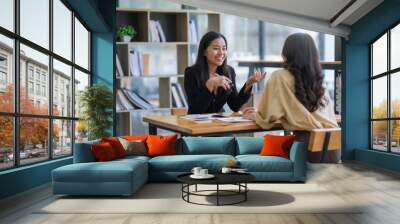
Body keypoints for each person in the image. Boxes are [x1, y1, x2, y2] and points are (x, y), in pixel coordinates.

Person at [242, 33, 338, 131]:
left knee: (249, 145)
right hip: (333, 141)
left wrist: (255, 115)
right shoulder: (318, 80)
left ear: (286, 53)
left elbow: (266, 119)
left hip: (305, 143)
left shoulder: (279, 76)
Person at [184, 31, 266, 114]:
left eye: (224, 48)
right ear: (204, 52)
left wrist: (249, 84)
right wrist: (210, 85)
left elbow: (234, 105)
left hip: (218, 122)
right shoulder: (191, 73)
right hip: (196, 124)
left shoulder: (229, 71)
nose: (221, 53)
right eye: (216, 48)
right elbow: (195, 110)